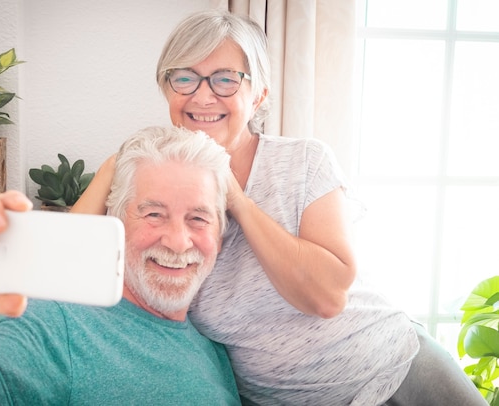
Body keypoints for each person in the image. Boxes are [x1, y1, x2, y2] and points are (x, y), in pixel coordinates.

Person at [72, 9, 487, 406]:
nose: (202, 95)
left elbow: (326, 297)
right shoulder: (151, 179)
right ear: (167, 89)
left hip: (397, 367)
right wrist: (116, 164)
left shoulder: (305, 161)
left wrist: (236, 199)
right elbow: (62, 264)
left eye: (225, 80)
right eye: (184, 78)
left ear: (259, 95)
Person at [0, 126, 241, 405]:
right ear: (115, 220)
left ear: (220, 235)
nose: (178, 241)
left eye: (198, 219)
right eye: (154, 214)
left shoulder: (215, 349)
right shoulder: (62, 324)